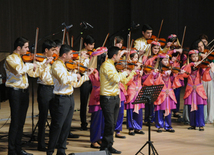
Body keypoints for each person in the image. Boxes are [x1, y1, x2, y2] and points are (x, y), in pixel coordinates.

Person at [47, 44, 94, 155]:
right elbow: (64, 80)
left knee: (66, 126)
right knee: (57, 126)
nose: (72, 56)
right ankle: (50, 151)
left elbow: (74, 84)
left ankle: (61, 150)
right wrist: (75, 76)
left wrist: (86, 75)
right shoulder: (56, 66)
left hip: (69, 98)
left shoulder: (64, 65)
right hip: (60, 99)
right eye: (70, 54)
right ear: (64, 55)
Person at [99, 46, 137, 154]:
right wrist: (124, 73)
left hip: (115, 97)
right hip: (107, 98)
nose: (121, 57)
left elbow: (123, 81)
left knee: (113, 123)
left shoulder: (113, 66)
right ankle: (104, 148)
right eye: (120, 55)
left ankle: (109, 146)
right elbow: (115, 78)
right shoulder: (106, 66)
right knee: (109, 123)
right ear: (114, 55)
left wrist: (132, 73)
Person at [5, 37, 37, 155]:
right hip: (15, 92)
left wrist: (41, 64)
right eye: (26, 47)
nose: (28, 49)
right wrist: (29, 65)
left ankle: (18, 148)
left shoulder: (22, 59)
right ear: (18, 48)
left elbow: (30, 73)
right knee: (15, 121)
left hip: (24, 92)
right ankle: (12, 150)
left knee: (21, 122)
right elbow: (18, 70)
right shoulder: (10, 59)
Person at [143, 53, 183, 133]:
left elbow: (173, 80)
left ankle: (168, 126)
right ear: (160, 61)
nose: (166, 61)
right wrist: (154, 75)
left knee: (168, 109)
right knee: (159, 110)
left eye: (167, 60)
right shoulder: (157, 70)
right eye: (164, 60)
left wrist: (175, 74)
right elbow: (151, 81)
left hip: (169, 92)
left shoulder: (170, 69)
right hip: (160, 92)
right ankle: (159, 126)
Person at [182, 50, 214, 131]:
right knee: (190, 107)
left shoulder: (201, 66)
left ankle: (201, 125)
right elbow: (185, 74)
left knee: (200, 107)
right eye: (193, 56)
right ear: (190, 57)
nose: (195, 58)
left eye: (196, 56)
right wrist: (186, 69)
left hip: (199, 89)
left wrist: (208, 68)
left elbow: (205, 76)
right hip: (190, 88)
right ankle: (192, 124)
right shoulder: (188, 66)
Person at [35, 39, 57, 151]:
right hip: (44, 89)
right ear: (46, 50)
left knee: (55, 117)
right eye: (52, 50)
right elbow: (39, 75)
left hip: (54, 89)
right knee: (43, 118)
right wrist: (45, 63)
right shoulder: (39, 61)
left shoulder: (54, 61)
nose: (54, 52)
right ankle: (41, 143)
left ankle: (53, 142)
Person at [87, 47, 107, 148]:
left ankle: (100, 137)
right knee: (96, 119)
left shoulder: (104, 68)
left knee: (103, 119)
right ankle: (94, 139)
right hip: (96, 95)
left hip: (104, 94)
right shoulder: (93, 71)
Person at [125, 50, 145, 135]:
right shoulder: (128, 68)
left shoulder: (140, 66)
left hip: (139, 89)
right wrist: (132, 73)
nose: (136, 59)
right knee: (130, 110)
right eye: (134, 57)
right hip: (131, 90)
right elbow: (127, 82)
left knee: (139, 110)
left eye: (137, 57)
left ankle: (138, 127)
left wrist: (141, 73)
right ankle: (131, 128)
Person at [79, 35, 95, 130]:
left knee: (93, 101)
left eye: (93, 45)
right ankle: (83, 123)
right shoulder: (80, 54)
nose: (92, 47)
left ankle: (93, 121)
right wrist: (82, 58)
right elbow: (78, 67)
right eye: (91, 45)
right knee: (84, 101)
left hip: (93, 80)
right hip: (85, 79)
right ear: (85, 44)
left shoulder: (93, 54)